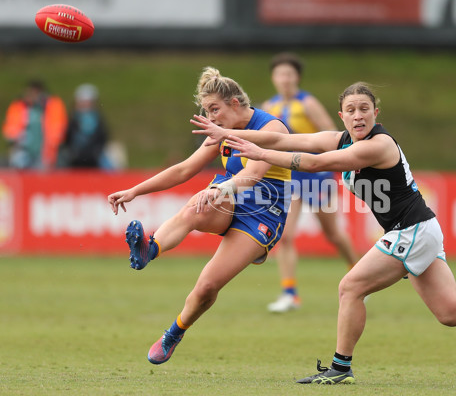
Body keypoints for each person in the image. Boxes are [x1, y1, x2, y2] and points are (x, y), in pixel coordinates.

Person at [190, 82, 456, 385]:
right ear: (342, 115)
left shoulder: (378, 145)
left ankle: (340, 367)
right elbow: (290, 140)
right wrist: (231, 132)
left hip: (413, 230)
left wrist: (255, 153)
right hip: (422, 230)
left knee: (350, 287)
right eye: (351, 110)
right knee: (451, 313)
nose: (357, 116)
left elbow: (316, 162)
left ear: (375, 113)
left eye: (364, 109)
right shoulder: (343, 138)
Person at [107, 67, 291, 365]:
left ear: (235, 103)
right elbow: (183, 169)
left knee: (207, 288)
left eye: (214, 109)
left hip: (262, 211)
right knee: (197, 205)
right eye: (206, 111)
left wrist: (223, 190)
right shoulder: (221, 132)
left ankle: (174, 332)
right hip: (228, 200)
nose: (211, 118)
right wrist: (134, 191)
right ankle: (149, 249)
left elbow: (253, 175)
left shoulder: (271, 129)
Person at [262, 52, 359, 313]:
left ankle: (359, 275)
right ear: (273, 78)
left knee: (334, 235)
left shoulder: (308, 104)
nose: (284, 79)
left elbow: (334, 135)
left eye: (289, 74)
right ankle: (289, 293)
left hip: (317, 177)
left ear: (297, 78)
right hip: (289, 177)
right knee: (286, 234)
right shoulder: (267, 107)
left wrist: (333, 166)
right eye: (280, 74)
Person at [2, 79, 68, 169]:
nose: (33, 96)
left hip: (45, 152)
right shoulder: (18, 106)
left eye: (36, 93)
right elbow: (10, 130)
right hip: (23, 151)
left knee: (42, 177)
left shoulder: (52, 106)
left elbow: (58, 130)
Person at [60, 83, 111, 169]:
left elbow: (103, 136)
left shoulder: (97, 118)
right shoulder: (73, 119)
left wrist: (97, 150)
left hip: (93, 158)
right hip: (75, 159)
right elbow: (67, 137)